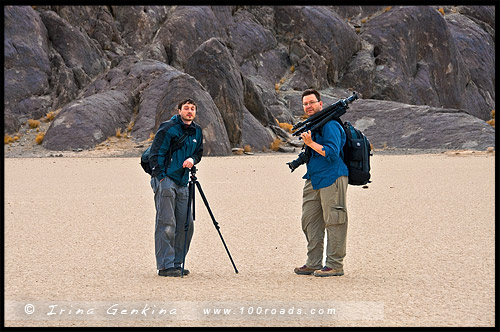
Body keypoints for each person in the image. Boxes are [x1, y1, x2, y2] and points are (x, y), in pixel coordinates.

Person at [294, 89, 349, 277]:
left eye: (311, 102)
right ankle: (313, 262)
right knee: (310, 221)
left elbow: (332, 153)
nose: (308, 106)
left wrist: (310, 143)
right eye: (305, 104)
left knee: (334, 220)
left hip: (332, 176)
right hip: (313, 178)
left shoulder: (331, 125)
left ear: (320, 103)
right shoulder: (314, 125)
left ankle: (335, 264)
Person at [149, 98, 203, 277]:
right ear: (179, 110)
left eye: (192, 109)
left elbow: (198, 152)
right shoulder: (167, 128)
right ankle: (165, 266)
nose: (189, 111)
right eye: (186, 108)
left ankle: (177, 263)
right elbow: (156, 154)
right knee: (166, 223)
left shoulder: (197, 131)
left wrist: (192, 160)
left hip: (183, 182)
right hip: (166, 180)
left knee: (186, 224)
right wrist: (161, 178)